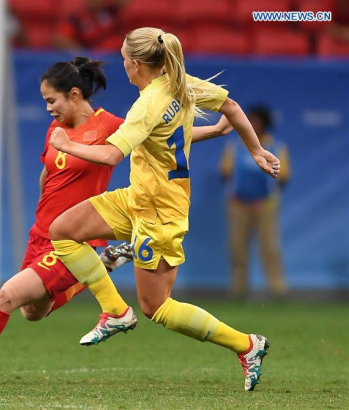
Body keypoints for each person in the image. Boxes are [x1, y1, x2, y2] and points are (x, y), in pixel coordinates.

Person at [0, 56, 232, 383]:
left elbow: (162, 135)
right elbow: (49, 172)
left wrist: (214, 130)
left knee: (6, 297)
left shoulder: (108, 126)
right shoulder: (55, 129)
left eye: (51, 100)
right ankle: (99, 266)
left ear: (74, 94)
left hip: (71, 238)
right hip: (40, 234)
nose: (48, 108)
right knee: (32, 312)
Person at [48, 27, 280, 392]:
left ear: (136, 64)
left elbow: (111, 154)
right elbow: (231, 107)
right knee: (62, 231)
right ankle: (115, 311)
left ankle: (247, 345)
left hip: (160, 212)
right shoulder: (179, 82)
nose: (122, 64)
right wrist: (254, 149)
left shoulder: (147, 103)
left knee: (157, 307)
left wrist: (66, 144)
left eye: (124, 58)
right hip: (136, 198)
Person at [220, 105, 290, 299]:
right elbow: (225, 174)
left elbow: (283, 178)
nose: (251, 125)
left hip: (265, 206)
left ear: (265, 124)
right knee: (237, 249)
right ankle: (238, 289)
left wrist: (265, 198)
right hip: (238, 205)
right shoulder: (234, 147)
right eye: (248, 121)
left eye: (255, 121)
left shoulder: (276, 147)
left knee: (269, 248)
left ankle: (277, 290)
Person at [54, 0, 129, 51]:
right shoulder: (76, 17)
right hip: (90, 58)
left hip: (114, 57)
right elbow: (60, 39)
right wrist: (82, 54)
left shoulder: (112, 11)